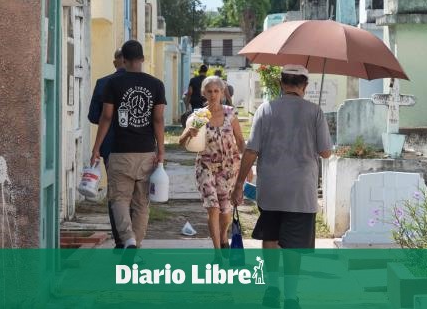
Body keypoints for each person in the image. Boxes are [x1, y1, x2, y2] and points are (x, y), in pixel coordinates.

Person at [231, 65, 332, 309]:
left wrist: (238, 184)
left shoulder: (266, 109)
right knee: (294, 247)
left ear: (280, 84)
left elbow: (251, 150)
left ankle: (272, 289)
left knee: (271, 239)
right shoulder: (315, 111)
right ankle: (290, 296)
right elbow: (326, 152)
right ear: (304, 86)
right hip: (301, 191)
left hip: (272, 189)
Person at [91, 40, 166, 251]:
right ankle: (136, 244)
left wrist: (96, 148)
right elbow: (158, 120)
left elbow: (106, 117)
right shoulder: (156, 84)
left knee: (119, 199)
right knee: (142, 202)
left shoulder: (112, 84)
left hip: (120, 152)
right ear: (142, 59)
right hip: (146, 152)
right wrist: (161, 149)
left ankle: (128, 239)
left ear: (122, 60)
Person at [178, 76, 246, 263]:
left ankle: (223, 235)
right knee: (213, 208)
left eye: (217, 91)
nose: (213, 95)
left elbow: (240, 141)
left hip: (229, 167)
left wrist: (247, 168)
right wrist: (188, 133)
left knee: (225, 211)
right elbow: (181, 141)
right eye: (209, 91)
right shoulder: (198, 116)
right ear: (203, 93)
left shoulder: (230, 114)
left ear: (223, 93)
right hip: (205, 166)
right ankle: (217, 253)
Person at [88, 48, 126, 250]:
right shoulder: (145, 83)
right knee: (135, 195)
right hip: (138, 147)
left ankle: (120, 239)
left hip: (111, 146)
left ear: (115, 62)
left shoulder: (103, 83)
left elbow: (94, 116)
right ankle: (132, 238)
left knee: (115, 194)